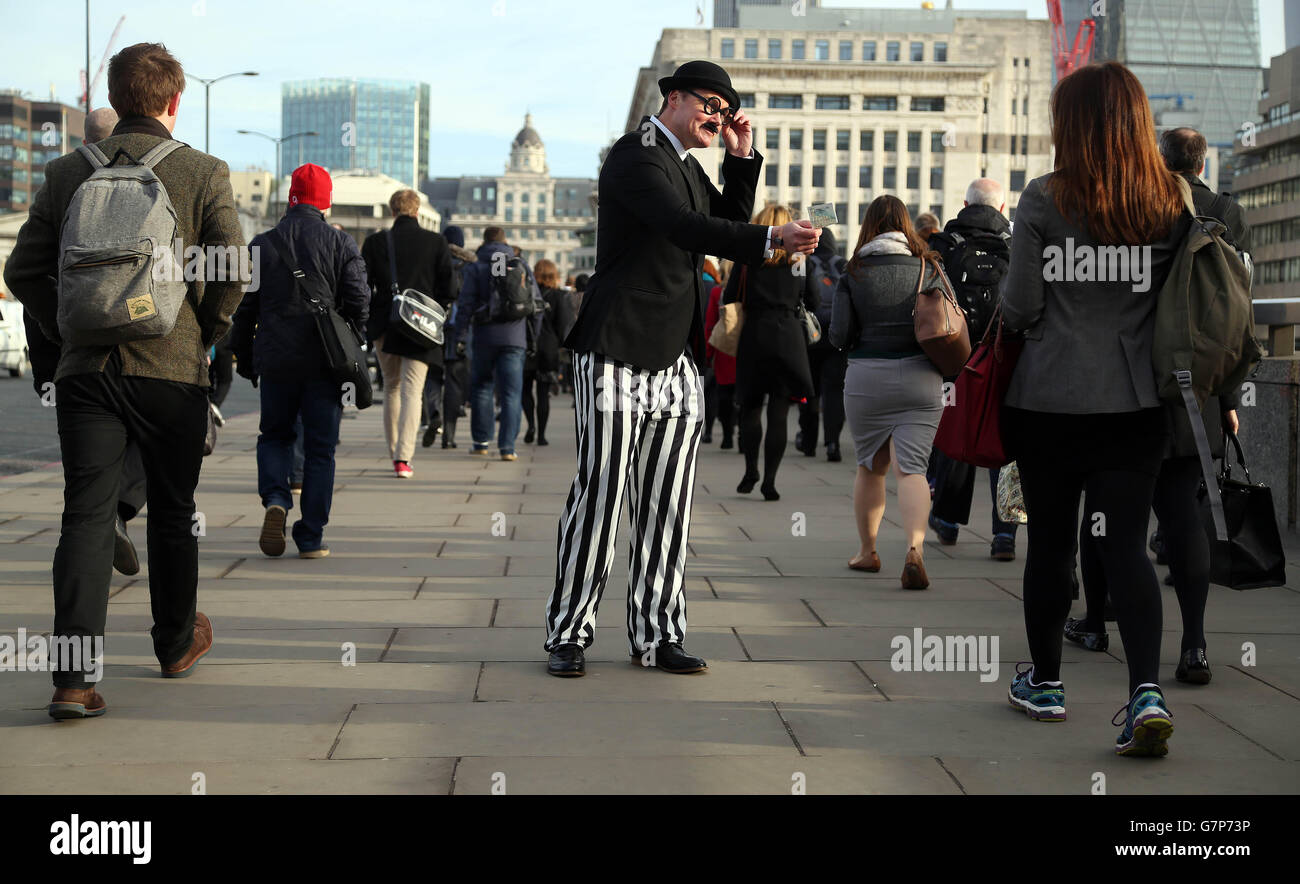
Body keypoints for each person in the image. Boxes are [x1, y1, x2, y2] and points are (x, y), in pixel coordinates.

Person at [545, 59, 819, 677]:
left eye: (725, 113)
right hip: (618, 346)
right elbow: (683, 226)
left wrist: (743, 158)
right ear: (672, 97)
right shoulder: (636, 155)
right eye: (709, 106)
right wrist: (773, 242)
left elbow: (723, 222)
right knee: (603, 493)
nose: (716, 119)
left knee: (669, 501)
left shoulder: (689, 166)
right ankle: (569, 632)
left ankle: (659, 633)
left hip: (676, 356)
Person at [4, 42, 246, 717]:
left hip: (87, 375)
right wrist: (202, 330)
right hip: (172, 372)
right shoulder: (203, 171)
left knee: (83, 516)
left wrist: (68, 330)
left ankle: (73, 680)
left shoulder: (64, 172)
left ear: (113, 99)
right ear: (174, 101)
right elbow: (230, 269)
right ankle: (174, 644)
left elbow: (22, 272)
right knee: (173, 512)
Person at [1000, 62, 1194, 757]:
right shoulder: (1171, 199)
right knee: (1127, 547)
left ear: (1070, 124)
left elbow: (1019, 308)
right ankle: (1145, 691)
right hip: (1135, 402)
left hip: (1049, 401)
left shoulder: (1043, 199)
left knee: (1051, 543)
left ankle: (1047, 685)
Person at [1067, 127, 1252, 684]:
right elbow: (1232, 310)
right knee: (1182, 519)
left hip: (1124, 385)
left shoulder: (1132, 206)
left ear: (1157, 160)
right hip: (1191, 389)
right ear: (1202, 162)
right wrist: (1227, 394)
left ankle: (1097, 621)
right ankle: (1194, 647)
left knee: (1102, 514)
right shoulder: (1226, 213)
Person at [20, 105, 146, 578]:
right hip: (136, 347)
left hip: (67, 353)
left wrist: (53, 341)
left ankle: (77, 611)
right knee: (152, 439)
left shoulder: (58, 180)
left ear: (84, 139)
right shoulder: (150, 178)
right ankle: (122, 508)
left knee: (83, 477)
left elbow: (23, 273)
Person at [231, 163, 370, 559]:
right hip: (326, 362)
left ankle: (276, 497)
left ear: (291, 197)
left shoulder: (262, 244)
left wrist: (244, 355)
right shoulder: (341, 244)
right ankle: (310, 537)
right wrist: (351, 338)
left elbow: (247, 307)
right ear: (326, 201)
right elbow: (360, 300)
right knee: (321, 450)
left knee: (275, 435)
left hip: (276, 359)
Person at [830, 195, 943, 590]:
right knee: (912, 470)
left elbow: (839, 334)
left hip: (867, 378)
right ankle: (915, 549)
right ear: (905, 223)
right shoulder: (928, 266)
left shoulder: (854, 269)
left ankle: (867, 551)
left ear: (869, 225)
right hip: (921, 376)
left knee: (870, 466)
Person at [925, 178, 1019, 560]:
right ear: (1001, 209)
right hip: (1001, 359)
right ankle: (1005, 535)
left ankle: (947, 521)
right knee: (1005, 441)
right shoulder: (1017, 246)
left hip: (953, 359)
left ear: (964, 203)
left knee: (955, 432)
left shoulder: (942, 245)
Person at [726, 204, 818, 501]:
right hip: (788, 335)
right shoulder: (800, 259)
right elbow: (813, 299)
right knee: (779, 413)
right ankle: (770, 480)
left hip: (755, 333)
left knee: (750, 408)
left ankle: (750, 469)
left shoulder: (749, 257)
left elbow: (730, 297)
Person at [361, 189, 453, 478]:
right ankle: (404, 457)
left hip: (385, 322)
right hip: (421, 325)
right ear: (416, 211)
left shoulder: (376, 242)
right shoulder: (436, 242)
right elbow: (449, 289)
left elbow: (363, 284)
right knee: (414, 390)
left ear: (392, 212)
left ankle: (394, 454)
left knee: (391, 387)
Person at [449, 226, 535, 461]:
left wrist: (460, 336)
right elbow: (534, 305)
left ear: (484, 242)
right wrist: (531, 338)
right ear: (505, 241)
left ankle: (481, 442)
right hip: (514, 339)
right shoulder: (520, 265)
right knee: (511, 393)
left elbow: (465, 306)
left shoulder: (476, 267)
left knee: (482, 388)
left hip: (485, 337)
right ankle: (507, 448)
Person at [796, 228, 848, 462]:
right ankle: (833, 442)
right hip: (837, 338)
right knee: (834, 391)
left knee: (809, 391)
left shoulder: (802, 263)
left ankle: (808, 441)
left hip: (810, 336)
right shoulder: (843, 265)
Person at [522, 258, 569, 446]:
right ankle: (541, 435)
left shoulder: (529, 293)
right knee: (543, 393)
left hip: (528, 346)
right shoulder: (559, 296)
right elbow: (563, 324)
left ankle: (531, 425)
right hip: (548, 349)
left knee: (525, 390)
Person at [440, 225, 476, 449]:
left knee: (432, 376)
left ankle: (432, 414)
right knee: (454, 379)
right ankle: (449, 435)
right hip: (459, 328)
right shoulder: (471, 266)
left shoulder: (436, 261)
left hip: (432, 326)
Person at [703, 260, 737, 448]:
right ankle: (739, 433)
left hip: (723, 349)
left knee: (722, 394)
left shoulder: (718, 292)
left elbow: (710, 324)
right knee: (742, 396)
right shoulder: (747, 292)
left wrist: (708, 353)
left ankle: (727, 435)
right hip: (744, 349)